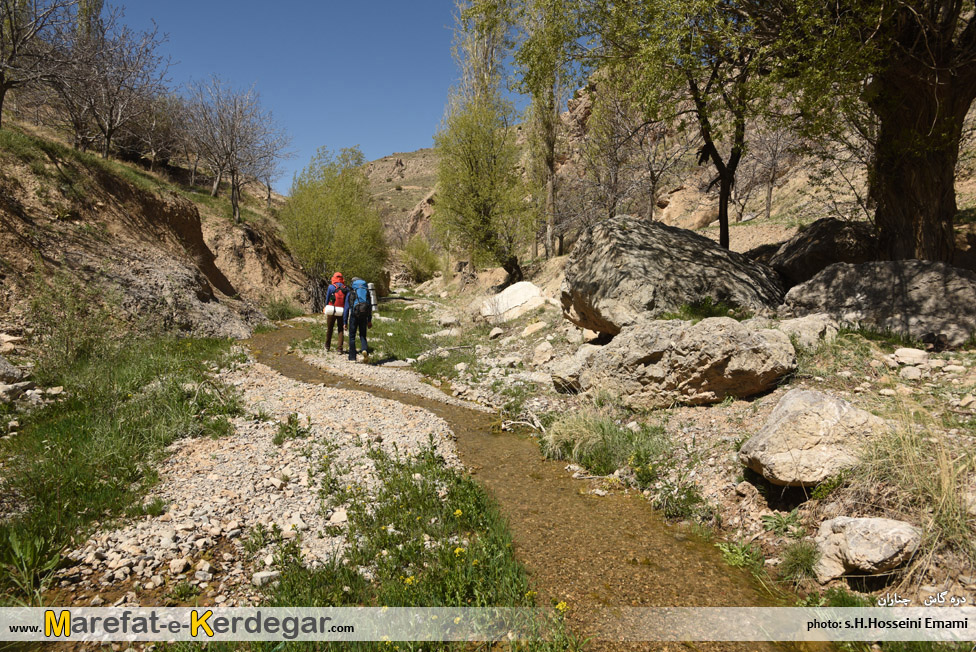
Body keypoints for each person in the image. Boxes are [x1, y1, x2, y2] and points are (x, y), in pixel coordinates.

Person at [345, 277, 373, 363]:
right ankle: (364, 349)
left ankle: (352, 357)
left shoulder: (351, 292)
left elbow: (347, 307)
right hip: (364, 315)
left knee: (352, 336)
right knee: (363, 335)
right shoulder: (366, 291)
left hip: (354, 315)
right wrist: (369, 320)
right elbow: (370, 306)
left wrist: (345, 321)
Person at [323, 272, 347, 353]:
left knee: (330, 328)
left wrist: (325, 307)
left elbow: (327, 299)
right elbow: (346, 303)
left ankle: (327, 346)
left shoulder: (331, 287)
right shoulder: (345, 288)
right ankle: (340, 348)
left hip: (331, 310)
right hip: (341, 311)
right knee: (340, 329)